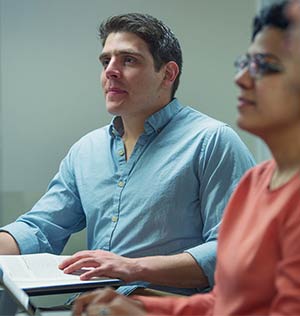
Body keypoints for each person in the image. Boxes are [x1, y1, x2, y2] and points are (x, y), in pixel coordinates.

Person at [0, 13, 254, 296]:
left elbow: (235, 250)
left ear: (168, 74)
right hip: (92, 308)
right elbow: (40, 229)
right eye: (105, 61)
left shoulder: (212, 142)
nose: (110, 70)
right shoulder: (86, 151)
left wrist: (134, 268)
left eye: (128, 60)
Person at [72, 2, 300, 315]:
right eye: (246, 63)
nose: (242, 78)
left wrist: (139, 285)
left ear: (168, 74)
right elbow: (226, 300)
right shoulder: (255, 182)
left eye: (267, 66)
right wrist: (143, 309)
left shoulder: (213, 141)